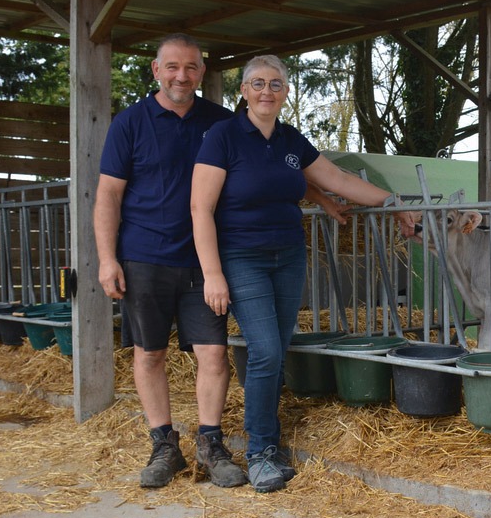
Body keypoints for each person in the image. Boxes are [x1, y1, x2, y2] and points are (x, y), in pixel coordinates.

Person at [94, 35, 341, 490]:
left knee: (213, 354)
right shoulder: (130, 123)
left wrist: (322, 198)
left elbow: (263, 169)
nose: (181, 76)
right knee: (150, 353)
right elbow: (109, 193)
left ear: (202, 73)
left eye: (190, 68)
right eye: (172, 67)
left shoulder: (221, 122)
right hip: (145, 252)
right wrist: (107, 258)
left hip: (206, 259)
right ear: (156, 70)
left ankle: (210, 444)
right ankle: (164, 445)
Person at [191, 54, 418, 493]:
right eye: (257, 83)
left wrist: (392, 203)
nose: (266, 92)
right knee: (266, 352)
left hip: (289, 255)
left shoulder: (291, 140)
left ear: (286, 92)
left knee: (277, 349)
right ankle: (260, 453)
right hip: (241, 257)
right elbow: (200, 207)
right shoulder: (223, 137)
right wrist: (212, 274)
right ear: (243, 91)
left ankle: (266, 441)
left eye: (276, 84)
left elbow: (336, 178)